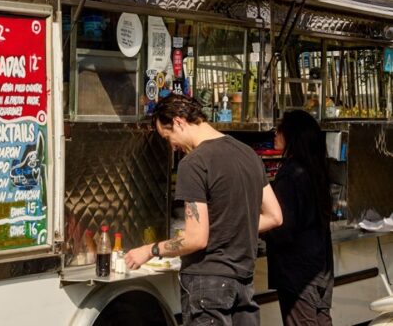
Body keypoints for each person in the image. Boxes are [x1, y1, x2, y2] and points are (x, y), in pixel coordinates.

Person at [125, 93, 283, 325]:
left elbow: (196, 239)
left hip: (208, 286)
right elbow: (275, 216)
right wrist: (229, 226)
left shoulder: (194, 163)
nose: (173, 146)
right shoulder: (248, 155)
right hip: (244, 282)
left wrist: (150, 250)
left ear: (179, 121)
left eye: (167, 137)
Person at [264, 109, 334, 326]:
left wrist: (259, 228)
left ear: (291, 135)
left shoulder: (291, 174)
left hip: (298, 272)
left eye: (279, 130)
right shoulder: (315, 170)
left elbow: (282, 225)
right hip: (319, 268)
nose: (274, 134)